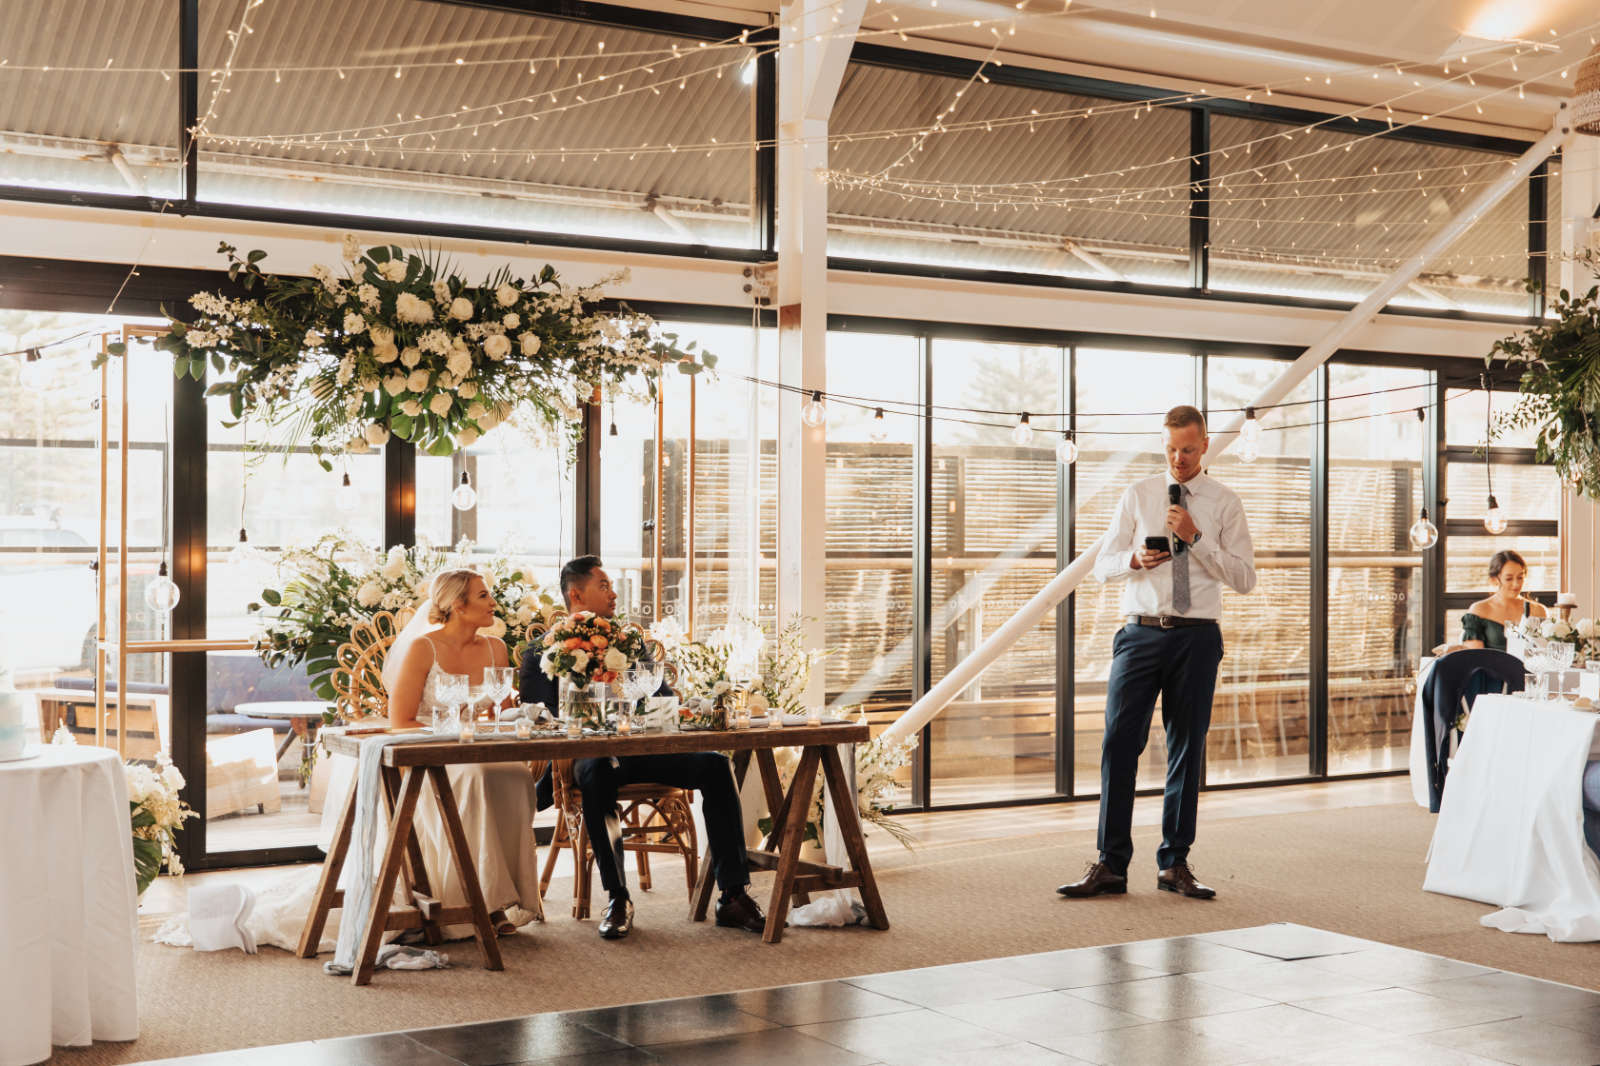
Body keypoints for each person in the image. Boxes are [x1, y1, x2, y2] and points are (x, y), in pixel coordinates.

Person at [1059, 405, 1256, 902]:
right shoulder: (1137, 494)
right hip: (1140, 635)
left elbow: (1245, 579)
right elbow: (1102, 563)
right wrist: (1132, 559)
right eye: (1170, 448)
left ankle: (1175, 863)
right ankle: (1110, 864)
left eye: (1188, 449)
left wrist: (1197, 539)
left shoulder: (1225, 502)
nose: (1179, 458)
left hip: (1197, 636)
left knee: (1187, 750)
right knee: (1117, 745)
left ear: (1204, 445)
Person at [519, 555, 766, 940]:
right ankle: (618, 898)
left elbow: (662, 699)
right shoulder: (539, 653)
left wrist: (690, 709)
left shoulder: (631, 643)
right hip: (589, 757)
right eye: (604, 586)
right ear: (576, 594)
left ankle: (733, 896)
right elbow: (538, 718)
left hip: (646, 750)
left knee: (716, 765)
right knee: (598, 772)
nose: (614, 593)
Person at [383, 568, 543, 936]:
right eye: (484, 596)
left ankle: (502, 899)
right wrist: (450, 736)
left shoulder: (496, 648)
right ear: (458, 604)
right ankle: (472, 902)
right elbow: (400, 720)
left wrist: (516, 720)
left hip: (475, 748)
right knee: (476, 777)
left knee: (516, 775)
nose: (494, 603)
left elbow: (501, 713)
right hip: (429, 754)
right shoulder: (424, 648)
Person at [1457, 550, 1546, 651]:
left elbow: (1544, 652)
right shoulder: (1479, 610)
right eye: (1509, 579)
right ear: (1494, 580)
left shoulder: (1538, 610)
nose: (1516, 584)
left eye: (1520, 577)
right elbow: (1475, 656)